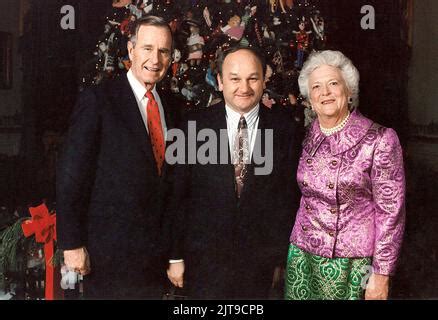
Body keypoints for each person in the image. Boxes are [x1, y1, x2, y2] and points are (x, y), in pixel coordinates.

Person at [56, 16, 179, 299]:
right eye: (147, 48)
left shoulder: (172, 107)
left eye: (164, 51)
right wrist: (72, 244)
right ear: (131, 49)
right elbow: (70, 175)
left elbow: (170, 184)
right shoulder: (99, 100)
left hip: (153, 259)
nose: (155, 59)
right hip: (107, 257)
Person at [163, 46, 300, 299]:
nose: (244, 88)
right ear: (220, 81)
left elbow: (289, 200)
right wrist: (175, 256)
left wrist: (281, 259)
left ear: (264, 79)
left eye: (253, 78)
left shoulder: (286, 130)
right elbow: (177, 197)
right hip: (203, 264)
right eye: (235, 78)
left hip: (261, 268)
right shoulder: (192, 126)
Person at [285, 50, 406, 300]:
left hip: (355, 264)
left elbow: (391, 212)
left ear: (349, 90)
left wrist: (381, 274)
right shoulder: (303, 136)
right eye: (316, 86)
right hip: (302, 256)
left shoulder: (380, 139)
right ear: (309, 98)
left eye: (333, 83)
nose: (325, 92)